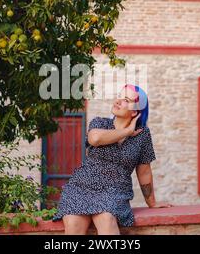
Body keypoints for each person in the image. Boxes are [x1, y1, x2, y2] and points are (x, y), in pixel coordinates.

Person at [52, 84, 172, 235]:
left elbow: (144, 171)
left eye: (126, 100)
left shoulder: (143, 135)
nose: (118, 101)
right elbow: (95, 139)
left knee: (106, 219)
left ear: (135, 111)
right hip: (81, 186)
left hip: (115, 190)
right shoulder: (100, 123)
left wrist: (152, 202)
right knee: (73, 225)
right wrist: (127, 131)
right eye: (119, 96)